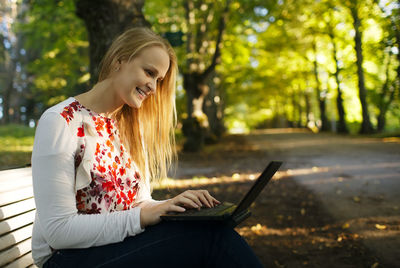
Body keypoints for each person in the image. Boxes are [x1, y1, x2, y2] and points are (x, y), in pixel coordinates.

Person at [31, 27, 263, 268]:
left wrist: (172, 206)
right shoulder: (61, 121)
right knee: (211, 241)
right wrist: (144, 216)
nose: (153, 86)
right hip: (66, 259)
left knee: (208, 228)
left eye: (158, 80)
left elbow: (138, 203)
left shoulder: (127, 127)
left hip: (112, 248)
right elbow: (58, 231)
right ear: (119, 60)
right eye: (149, 72)